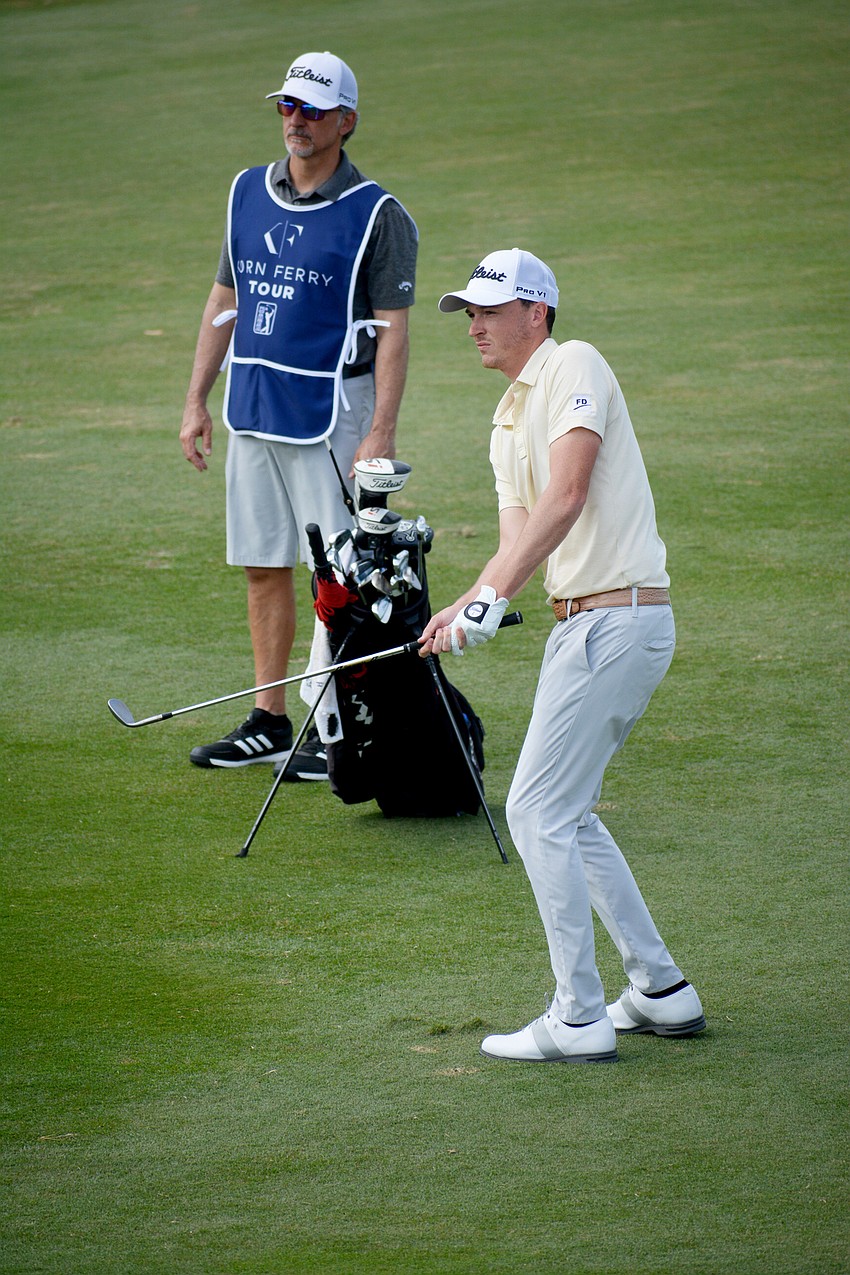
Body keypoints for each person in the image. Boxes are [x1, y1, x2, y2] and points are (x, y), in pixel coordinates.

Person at [420, 249, 705, 1064]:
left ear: (536, 312)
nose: (472, 324)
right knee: (566, 811)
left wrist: (487, 594)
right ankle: (659, 988)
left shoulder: (573, 364)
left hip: (620, 619)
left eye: (488, 309)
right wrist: (475, 605)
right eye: (467, 311)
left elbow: (570, 492)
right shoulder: (506, 418)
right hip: (579, 626)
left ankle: (578, 1015)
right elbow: (522, 540)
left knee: (534, 810)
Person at [179, 51, 418, 778]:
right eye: (287, 106)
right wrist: (195, 398)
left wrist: (380, 430)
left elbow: (394, 329)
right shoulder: (246, 192)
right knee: (262, 565)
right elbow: (224, 302)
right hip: (252, 406)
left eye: (313, 110)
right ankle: (270, 719)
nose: (297, 120)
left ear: (346, 121)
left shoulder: (379, 213)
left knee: (337, 577)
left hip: (333, 417)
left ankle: (330, 726)